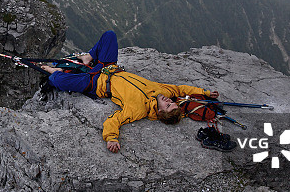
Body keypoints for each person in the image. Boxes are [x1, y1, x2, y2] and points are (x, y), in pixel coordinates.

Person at [40, 30, 218, 153]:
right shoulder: (164, 91)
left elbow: (115, 120)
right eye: (172, 102)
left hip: (97, 83)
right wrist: (206, 93)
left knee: (59, 80)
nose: (170, 100)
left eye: (168, 105)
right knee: (109, 36)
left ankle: (52, 71)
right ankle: (88, 57)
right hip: (110, 68)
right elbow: (182, 89)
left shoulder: (138, 109)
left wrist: (112, 138)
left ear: (160, 112)